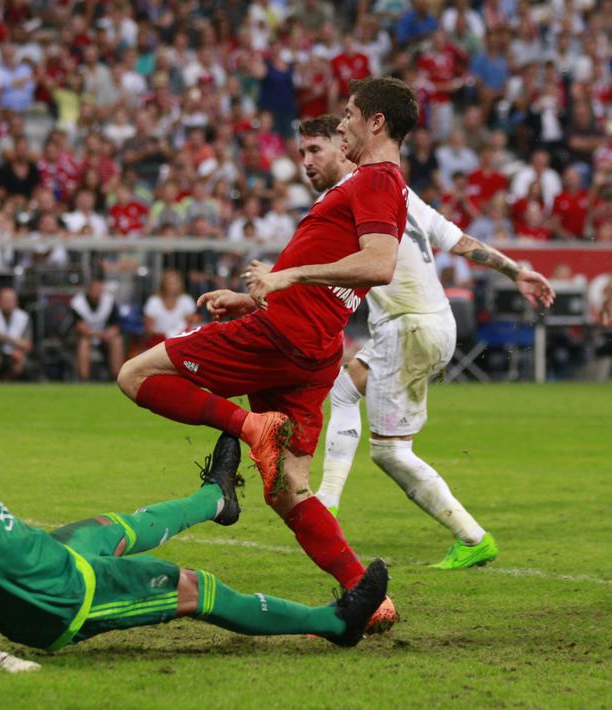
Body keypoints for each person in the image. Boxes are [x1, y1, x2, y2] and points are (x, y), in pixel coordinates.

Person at [115, 78, 419, 633]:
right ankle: (369, 598)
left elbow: (379, 265)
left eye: (349, 115)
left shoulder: (374, 180)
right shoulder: (370, 188)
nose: (343, 123)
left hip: (283, 335)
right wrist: (257, 292)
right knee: (288, 489)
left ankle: (250, 426)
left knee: (135, 375)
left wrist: (289, 277)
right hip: (314, 349)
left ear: (376, 123)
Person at [0, 383, 389, 671]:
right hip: (63, 596)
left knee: (109, 527)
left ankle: (214, 498)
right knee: (195, 587)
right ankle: (335, 622)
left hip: (45, 556)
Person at [298, 114, 554, 568]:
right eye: (302, 153)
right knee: (343, 388)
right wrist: (516, 270)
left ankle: (472, 538)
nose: (306, 161)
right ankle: (328, 502)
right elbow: (459, 241)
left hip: (408, 328)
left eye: (316, 149)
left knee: (391, 451)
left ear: (343, 149)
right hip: (429, 323)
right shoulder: (394, 187)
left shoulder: (352, 195)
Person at [70, 280, 124, 381]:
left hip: (104, 336)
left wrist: (109, 333)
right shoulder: (78, 303)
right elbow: (80, 328)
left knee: (117, 341)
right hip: (87, 336)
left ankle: (116, 378)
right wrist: (98, 334)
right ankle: (84, 379)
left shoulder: (109, 301)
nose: (96, 291)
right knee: (83, 343)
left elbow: (116, 326)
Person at [0, 288, 32, 382]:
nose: (8, 303)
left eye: (10, 300)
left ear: (16, 302)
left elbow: (27, 344)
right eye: (5, 300)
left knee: (20, 360)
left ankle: (7, 380)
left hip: (14, 352)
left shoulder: (23, 317)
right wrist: (14, 341)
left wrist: (18, 350)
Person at [142, 269, 199, 348]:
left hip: (180, 340)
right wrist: (167, 334)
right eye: (170, 283)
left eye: (175, 283)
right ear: (163, 285)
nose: (173, 286)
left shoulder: (186, 300)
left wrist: (175, 335)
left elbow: (190, 324)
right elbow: (149, 330)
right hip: (158, 341)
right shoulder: (153, 302)